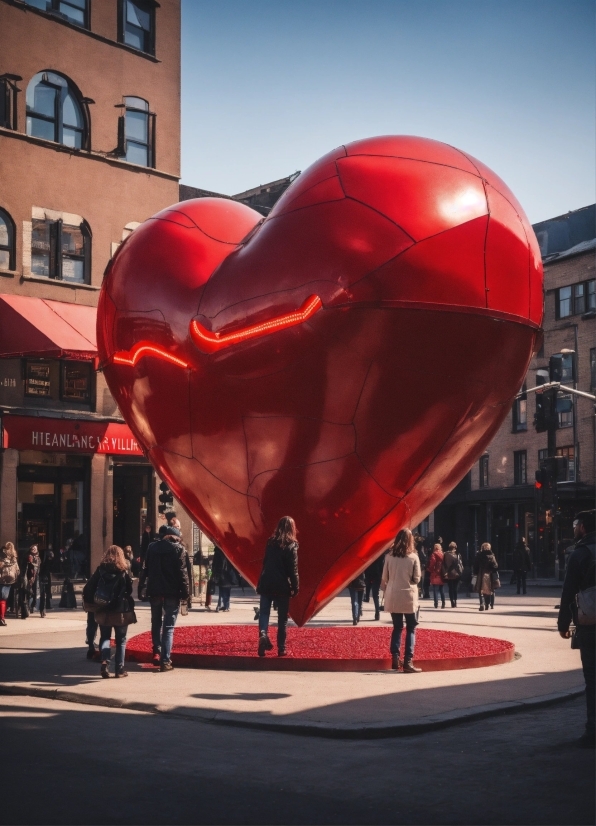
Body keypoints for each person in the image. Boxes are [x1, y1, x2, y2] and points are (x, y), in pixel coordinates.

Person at [557, 510, 595, 748]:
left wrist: (563, 623)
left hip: (591, 624)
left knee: (592, 678)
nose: (573, 529)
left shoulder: (580, 553)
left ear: (582, 527)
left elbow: (568, 591)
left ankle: (593, 730)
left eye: (574, 524)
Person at [83, 545, 136, 679]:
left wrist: (93, 603)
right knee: (121, 640)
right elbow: (129, 590)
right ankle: (119, 669)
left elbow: (89, 588)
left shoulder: (100, 570)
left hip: (103, 609)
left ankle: (105, 662)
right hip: (120, 611)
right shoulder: (123, 571)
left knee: (105, 637)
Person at [146, 525, 189, 671]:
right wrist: (185, 594)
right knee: (168, 627)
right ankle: (165, 660)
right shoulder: (179, 549)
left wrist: (142, 588)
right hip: (172, 592)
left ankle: (156, 652)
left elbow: (146, 569)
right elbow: (183, 574)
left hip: (155, 591)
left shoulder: (152, 547)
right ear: (176, 538)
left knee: (156, 622)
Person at [256, 516, 299, 657]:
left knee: (264, 613)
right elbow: (293, 570)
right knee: (282, 619)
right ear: (292, 528)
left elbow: (265, 563)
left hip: (267, 583)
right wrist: (295, 587)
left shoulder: (270, 542)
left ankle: (263, 634)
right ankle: (281, 648)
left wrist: (260, 582)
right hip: (282, 586)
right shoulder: (292, 545)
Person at [381, 528, 422, 673]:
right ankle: (408, 661)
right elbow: (416, 578)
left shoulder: (389, 556)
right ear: (411, 540)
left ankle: (395, 657)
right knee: (411, 627)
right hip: (408, 597)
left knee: (397, 627)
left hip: (393, 596)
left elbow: (384, 578)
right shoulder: (413, 557)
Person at [211, 545, 239, 612]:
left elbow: (214, 564)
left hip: (222, 573)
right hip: (228, 573)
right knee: (226, 590)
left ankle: (222, 605)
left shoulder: (218, 552)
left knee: (222, 590)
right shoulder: (229, 551)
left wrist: (214, 572)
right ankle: (226, 605)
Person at [473, 542, 498, 610]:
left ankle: (482, 603)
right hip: (489, 574)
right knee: (490, 589)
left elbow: (475, 565)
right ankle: (488, 604)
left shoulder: (479, 555)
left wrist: (475, 573)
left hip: (481, 573)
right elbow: (496, 566)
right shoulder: (491, 555)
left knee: (480, 589)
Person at [0, 542, 19, 626]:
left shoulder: (1, 556)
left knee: (1, 599)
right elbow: (18, 571)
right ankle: (2, 617)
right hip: (9, 580)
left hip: (1, 579)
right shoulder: (14, 559)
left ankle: (2, 617)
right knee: (3, 599)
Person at [442, 542, 463, 607]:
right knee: (455, 588)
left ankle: (452, 601)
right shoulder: (458, 555)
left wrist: (445, 572)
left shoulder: (445, 554)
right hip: (456, 573)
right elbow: (460, 564)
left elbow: (443, 564)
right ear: (455, 547)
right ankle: (455, 600)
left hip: (449, 573)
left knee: (450, 588)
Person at [365, 554, 385, 620]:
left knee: (369, 589)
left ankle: (367, 597)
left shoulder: (369, 555)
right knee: (375, 595)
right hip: (377, 576)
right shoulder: (381, 556)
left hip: (370, 575)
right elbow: (382, 567)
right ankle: (377, 610)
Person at [428, 543, 445, 608]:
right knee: (441, 589)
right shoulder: (443, 554)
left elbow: (432, 563)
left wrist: (430, 570)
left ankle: (436, 603)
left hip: (435, 573)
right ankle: (443, 603)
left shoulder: (434, 554)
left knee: (435, 589)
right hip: (442, 573)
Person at [38, 549, 54, 618]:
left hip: (45, 578)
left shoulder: (48, 562)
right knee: (43, 594)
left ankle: (44, 609)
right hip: (43, 578)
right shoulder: (45, 562)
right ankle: (43, 609)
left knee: (45, 594)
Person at [27, 545, 41, 613]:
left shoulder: (38, 557)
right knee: (29, 591)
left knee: (35, 591)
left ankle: (33, 605)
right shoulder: (29, 556)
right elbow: (29, 565)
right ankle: (28, 605)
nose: (34, 550)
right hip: (29, 575)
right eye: (33, 549)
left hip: (36, 575)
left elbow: (39, 566)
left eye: (35, 549)